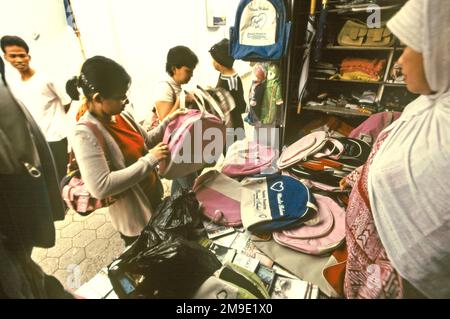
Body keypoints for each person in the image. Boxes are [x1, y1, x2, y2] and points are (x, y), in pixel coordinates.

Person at [341, 0, 450, 299]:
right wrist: (359, 178)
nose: (399, 62)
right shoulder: (430, 104)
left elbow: (431, 239)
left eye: (406, 47)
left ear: (440, 50)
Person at [67, 56, 185, 246]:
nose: (125, 100)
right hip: (135, 220)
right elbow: (101, 187)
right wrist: (150, 160)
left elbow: (147, 140)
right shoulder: (84, 133)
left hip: (154, 200)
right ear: (98, 98)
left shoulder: (121, 114)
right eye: (120, 97)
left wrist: (169, 121)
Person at [1, 35, 72, 182]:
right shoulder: (14, 84)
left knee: (60, 180)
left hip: (55, 138)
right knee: (45, 181)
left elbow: (67, 101)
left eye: (22, 56)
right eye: (13, 56)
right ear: (6, 58)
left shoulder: (46, 78)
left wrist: (56, 123)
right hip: (36, 142)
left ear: (29, 57)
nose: (19, 60)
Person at [152, 45, 199, 195]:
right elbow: (166, 122)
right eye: (188, 71)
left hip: (182, 146)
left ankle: (175, 212)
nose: (191, 75)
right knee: (192, 189)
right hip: (175, 151)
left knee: (180, 189)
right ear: (174, 68)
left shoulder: (176, 85)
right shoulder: (164, 88)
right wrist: (181, 101)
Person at [209, 38, 246, 151]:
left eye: (213, 59)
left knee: (232, 152)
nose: (212, 62)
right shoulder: (230, 75)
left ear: (219, 62)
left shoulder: (228, 81)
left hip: (231, 125)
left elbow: (232, 103)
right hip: (235, 123)